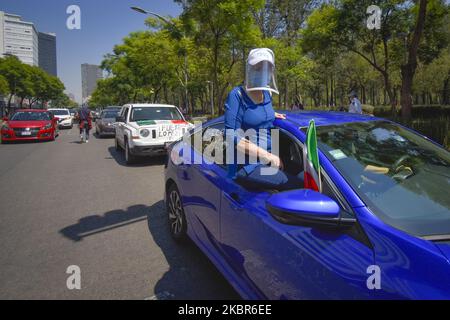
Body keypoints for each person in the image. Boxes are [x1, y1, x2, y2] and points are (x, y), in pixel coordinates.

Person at [224, 48, 304, 191]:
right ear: (249, 69)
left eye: (267, 68)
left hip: (271, 157)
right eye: (258, 67)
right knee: (296, 186)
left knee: (305, 177)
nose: (263, 72)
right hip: (249, 165)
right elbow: (231, 136)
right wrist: (267, 156)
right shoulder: (237, 95)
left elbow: (260, 115)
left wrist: (273, 115)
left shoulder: (267, 93)